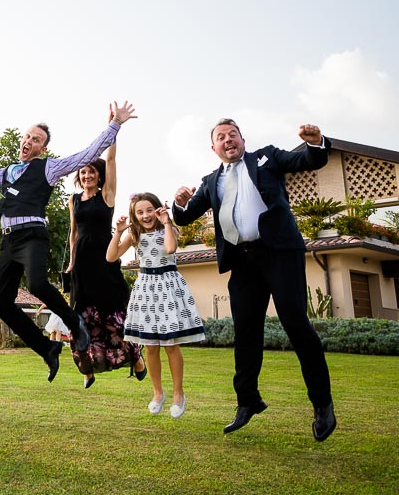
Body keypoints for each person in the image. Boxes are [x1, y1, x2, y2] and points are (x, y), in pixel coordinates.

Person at [173, 119, 336, 441]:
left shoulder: (268, 158)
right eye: (221, 137)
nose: (228, 140)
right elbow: (184, 216)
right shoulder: (211, 181)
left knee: (295, 323)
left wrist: (316, 142)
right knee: (246, 332)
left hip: (279, 253)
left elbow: (308, 160)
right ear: (213, 148)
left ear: (243, 140)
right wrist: (178, 201)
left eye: (232, 134)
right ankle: (247, 401)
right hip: (243, 262)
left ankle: (322, 404)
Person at [0, 102, 136, 381]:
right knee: (2, 304)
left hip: (32, 235)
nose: (29, 141)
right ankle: (47, 348)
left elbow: (86, 155)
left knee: (38, 284)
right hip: (9, 240)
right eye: (27, 137)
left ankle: (73, 322)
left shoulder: (48, 168)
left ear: (42, 149)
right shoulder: (6, 173)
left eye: (37, 140)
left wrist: (114, 125)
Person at [107, 193, 206, 417]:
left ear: (158, 209)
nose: (145, 215)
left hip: (168, 286)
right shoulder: (134, 235)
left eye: (149, 210)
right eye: (140, 212)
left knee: (171, 345)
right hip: (146, 288)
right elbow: (111, 257)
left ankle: (178, 394)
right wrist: (119, 231)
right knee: (150, 346)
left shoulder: (168, 229)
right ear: (134, 215)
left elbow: (170, 249)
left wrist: (167, 223)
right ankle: (157, 393)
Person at [63, 143, 145, 388]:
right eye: (82, 172)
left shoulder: (107, 196)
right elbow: (73, 233)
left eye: (91, 172)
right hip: (81, 267)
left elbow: (111, 160)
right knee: (80, 319)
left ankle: (136, 359)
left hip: (104, 261)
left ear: (99, 175)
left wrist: (114, 130)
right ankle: (87, 370)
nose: (87, 175)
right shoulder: (73, 200)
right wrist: (71, 263)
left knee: (112, 318)